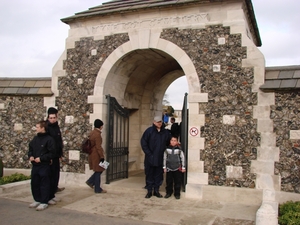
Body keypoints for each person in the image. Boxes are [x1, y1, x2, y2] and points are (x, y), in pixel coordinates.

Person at [28, 120, 56, 211]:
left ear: (42, 128)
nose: (36, 129)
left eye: (37, 127)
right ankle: (37, 199)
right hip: (35, 165)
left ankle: (44, 201)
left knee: (44, 183)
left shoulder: (49, 139)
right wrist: (31, 156)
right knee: (35, 183)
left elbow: (52, 153)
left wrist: (42, 158)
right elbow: (30, 149)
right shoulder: (35, 139)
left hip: (44, 165)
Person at [141, 116, 171, 198]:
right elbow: (144, 143)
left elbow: (169, 142)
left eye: (160, 122)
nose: (159, 123)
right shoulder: (149, 131)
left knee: (158, 174)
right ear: (154, 122)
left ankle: (156, 190)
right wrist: (149, 154)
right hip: (150, 157)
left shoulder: (165, 132)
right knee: (149, 174)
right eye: (158, 122)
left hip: (160, 157)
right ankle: (149, 191)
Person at [47, 107, 64, 205]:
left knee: (55, 175)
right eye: (51, 118)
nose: (53, 119)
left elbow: (59, 141)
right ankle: (49, 196)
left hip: (56, 155)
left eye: (54, 117)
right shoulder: (47, 127)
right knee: (50, 176)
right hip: (50, 156)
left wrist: (60, 153)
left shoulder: (56, 127)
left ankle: (53, 194)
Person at [86, 119, 107, 194]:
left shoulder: (92, 132)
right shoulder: (97, 134)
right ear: (101, 126)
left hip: (92, 154)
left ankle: (90, 181)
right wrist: (102, 156)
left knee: (100, 169)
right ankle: (97, 188)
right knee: (99, 170)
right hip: (96, 155)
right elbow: (98, 147)